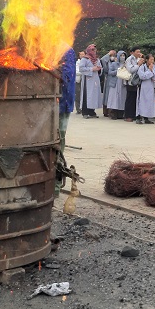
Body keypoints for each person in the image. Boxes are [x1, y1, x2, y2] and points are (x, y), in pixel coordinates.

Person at [55, 47, 76, 196]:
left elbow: (67, 75)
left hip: (62, 103)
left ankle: (55, 185)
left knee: (57, 143)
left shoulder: (66, 51)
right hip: (53, 103)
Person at [79, 44, 102, 118]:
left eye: (95, 50)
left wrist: (99, 69)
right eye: (92, 50)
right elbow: (81, 69)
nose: (94, 51)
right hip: (88, 80)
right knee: (87, 95)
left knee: (94, 95)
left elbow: (100, 68)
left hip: (95, 79)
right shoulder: (85, 59)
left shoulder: (97, 59)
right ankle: (85, 112)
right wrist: (91, 69)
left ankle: (92, 111)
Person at [136, 54, 155, 124]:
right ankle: (139, 117)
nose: (152, 61)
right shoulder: (142, 67)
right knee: (141, 102)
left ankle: (147, 117)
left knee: (149, 102)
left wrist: (151, 72)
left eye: (153, 60)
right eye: (151, 59)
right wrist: (150, 71)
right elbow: (142, 76)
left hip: (151, 87)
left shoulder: (154, 67)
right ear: (147, 60)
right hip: (143, 87)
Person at [124, 47, 144, 121]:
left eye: (139, 52)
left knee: (135, 98)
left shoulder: (138, 59)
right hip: (131, 81)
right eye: (137, 52)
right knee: (130, 99)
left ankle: (134, 115)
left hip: (138, 81)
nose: (139, 53)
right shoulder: (130, 59)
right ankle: (128, 115)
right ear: (132, 52)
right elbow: (131, 70)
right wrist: (138, 65)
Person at [106, 51, 127, 119]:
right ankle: (113, 113)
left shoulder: (126, 64)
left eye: (124, 55)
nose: (122, 57)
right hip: (115, 82)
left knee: (122, 97)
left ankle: (120, 113)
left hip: (123, 83)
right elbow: (110, 72)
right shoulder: (114, 64)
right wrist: (117, 70)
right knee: (114, 98)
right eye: (121, 55)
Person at [100, 49, 116, 116]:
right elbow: (103, 59)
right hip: (108, 78)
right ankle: (106, 111)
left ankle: (111, 111)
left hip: (115, 79)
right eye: (111, 55)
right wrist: (108, 54)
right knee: (107, 95)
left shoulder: (116, 61)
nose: (113, 56)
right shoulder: (107, 60)